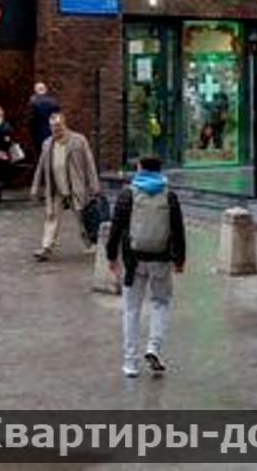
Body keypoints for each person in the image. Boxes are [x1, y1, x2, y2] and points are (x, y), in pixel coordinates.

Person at [107, 156, 186, 378]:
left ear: (140, 169)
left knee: (131, 309)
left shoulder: (128, 194)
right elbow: (178, 230)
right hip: (161, 259)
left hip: (133, 260)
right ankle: (154, 348)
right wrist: (179, 260)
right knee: (160, 303)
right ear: (160, 171)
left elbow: (115, 228)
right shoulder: (169, 196)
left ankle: (130, 363)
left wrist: (111, 256)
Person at [31, 111, 100, 261]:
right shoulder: (47, 143)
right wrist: (35, 187)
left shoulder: (78, 140)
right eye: (52, 126)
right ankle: (46, 247)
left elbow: (89, 163)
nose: (55, 129)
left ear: (64, 123)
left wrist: (94, 185)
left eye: (58, 125)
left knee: (82, 218)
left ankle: (91, 242)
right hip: (56, 189)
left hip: (76, 187)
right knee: (51, 217)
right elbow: (40, 167)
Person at [28, 82, 60, 157]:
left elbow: (30, 119)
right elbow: (58, 117)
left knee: (40, 153)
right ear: (45, 90)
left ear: (35, 90)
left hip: (37, 132)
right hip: (51, 130)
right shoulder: (53, 102)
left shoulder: (32, 102)